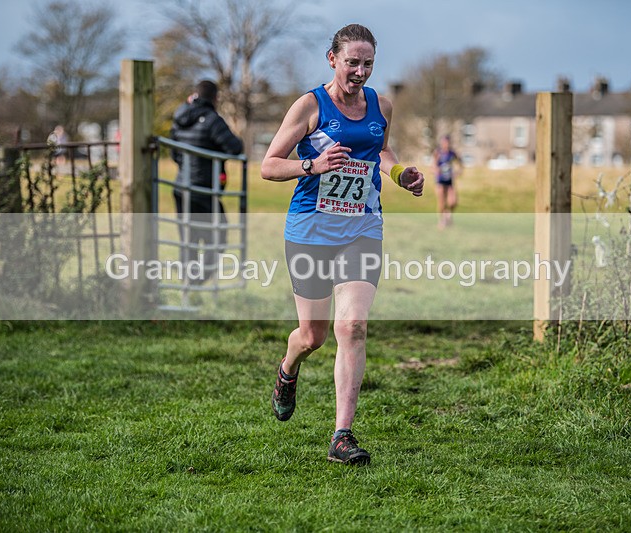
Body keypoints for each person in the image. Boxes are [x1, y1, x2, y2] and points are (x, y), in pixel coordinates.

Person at [260, 24, 424, 465]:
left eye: (368, 63)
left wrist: (399, 173)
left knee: (351, 326)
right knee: (311, 336)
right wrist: (311, 165)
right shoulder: (310, 105)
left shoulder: (380, 106)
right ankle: (288, 367)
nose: (360, 71)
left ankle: (342, 436)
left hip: (361, 228)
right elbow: (269, 165)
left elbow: (381, 151)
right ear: (332, 58)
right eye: (352, 61)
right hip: (311, 229)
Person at [170, 80, 243, 283]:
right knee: (218, 237)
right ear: (215, 98)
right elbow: (235, 147)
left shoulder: (179, 117)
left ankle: (188, 284)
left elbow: (174, 152)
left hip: (181, 186)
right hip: (204, 189)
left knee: (190, 238)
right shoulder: (212, 119)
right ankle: (198, 282)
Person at [433, 134, 461, 228]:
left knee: (453, 201)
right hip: (440, 180)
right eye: (444, 142)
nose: (446, 144)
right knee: (442, 202)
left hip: (449, 180)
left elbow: (460, 163)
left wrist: (458, 172)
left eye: (447, 142)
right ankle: (442, 221)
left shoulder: (452, 153)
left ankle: (448, 215)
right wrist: (437, 170)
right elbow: (433, 166)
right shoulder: (438, 153)